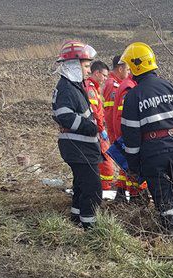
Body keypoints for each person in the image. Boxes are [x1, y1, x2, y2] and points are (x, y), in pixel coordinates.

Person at [119, 42, 173, 241]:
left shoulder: (133, 96)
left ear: (134, 67)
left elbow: (131, 138)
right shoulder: (171, 88)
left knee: (163, 197)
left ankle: (170, 239)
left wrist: (134, 166)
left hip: (152, 153)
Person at [52, 40, 101, 229]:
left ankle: (76, 219)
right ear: (74, 65)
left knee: (81, 185)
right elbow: (64, 115)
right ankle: (90, 227)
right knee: (93, 188)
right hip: (78, 147)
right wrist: (91, 128)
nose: (88, 70)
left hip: (80, 147)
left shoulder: (72, 86)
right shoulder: (67, 88)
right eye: (86, 66)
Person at [84, 60, 115, 191]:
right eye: (104, 75)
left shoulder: (94, 88)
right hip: (96, 131)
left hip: (97, 131)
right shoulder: (90, 88)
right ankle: (105, 189)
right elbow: (94, 112)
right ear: (96, 73)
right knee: (106, 161)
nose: (105, 79)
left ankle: (101, 187)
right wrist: (102, 130)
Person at [103, 55, 130, 134]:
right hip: (115, 134)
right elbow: (110, 114)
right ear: (121, 69)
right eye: (128, 69)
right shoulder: (113, 86)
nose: (129, 72)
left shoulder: (116, 84)